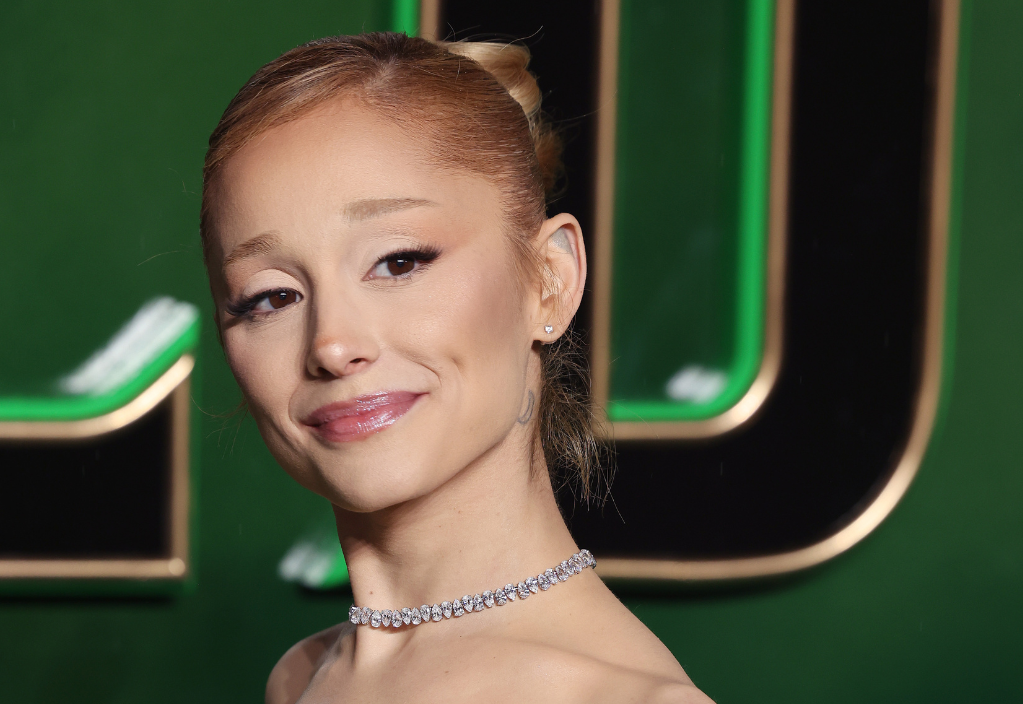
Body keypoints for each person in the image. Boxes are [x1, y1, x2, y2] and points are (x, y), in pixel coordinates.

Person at [199, 32, 711, 703]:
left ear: (548, 281)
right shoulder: (301, 679)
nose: (331, 345)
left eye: (399, 262)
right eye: (272, 297)